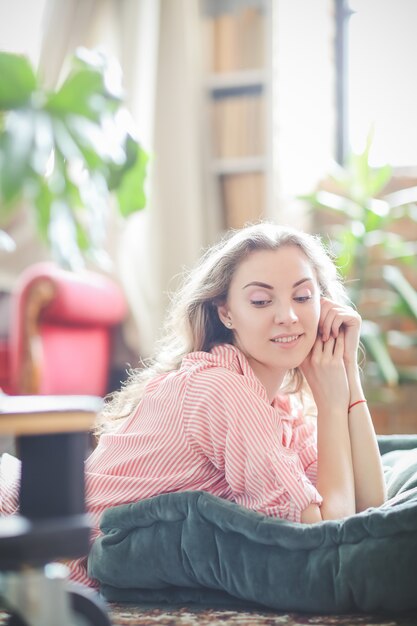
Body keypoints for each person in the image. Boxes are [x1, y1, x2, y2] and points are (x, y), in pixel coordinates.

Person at [0, 222, 386, 587]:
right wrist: (333, 406)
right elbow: (325, 536)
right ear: (226, 312)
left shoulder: (279, 407)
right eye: (261, 300)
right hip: (29, 538)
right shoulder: (222, 391)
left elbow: (368, 506)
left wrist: (348, 375)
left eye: (303, 297)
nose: (287, 316)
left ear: (323, 306)